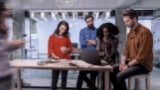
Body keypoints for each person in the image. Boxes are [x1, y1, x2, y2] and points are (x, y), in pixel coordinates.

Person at [110, 9, 153, 90]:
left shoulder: (145, 33)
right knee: (112, 70)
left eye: (127, 21)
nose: (125, 24)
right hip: (132, 62)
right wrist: (123, 63)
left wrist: (127, 65)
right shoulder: (130, 33)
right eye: (124, 22)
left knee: (120, 75)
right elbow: (126, 50)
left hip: (143, 65)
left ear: (135, 19)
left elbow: (141, 57)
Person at [0, 2, 25, 90]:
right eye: (6, 10)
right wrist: (11, 44)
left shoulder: (3, 26)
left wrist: (12, 45)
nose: (8, 13)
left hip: (5, 75)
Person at [48, 21, 72, 90]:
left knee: (64, 78)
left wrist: (66, 49)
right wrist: (53, 55)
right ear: (59, 26)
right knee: (54, 78)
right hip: (55, 60)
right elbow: (50, 48)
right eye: (62, 25)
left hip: (65, 60)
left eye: (65, 27)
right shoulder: (51, 37)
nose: (63, 27)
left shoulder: (67, 38)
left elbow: (70, 48)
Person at [76, 15, 98, 90]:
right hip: (84, 55)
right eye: (88, 22)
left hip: (94, 55)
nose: (90, 23)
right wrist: (93, 42)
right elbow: (82, 43)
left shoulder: (98, 31)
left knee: (93, 75)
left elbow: (98, 43)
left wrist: (88, 40)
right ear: (86, 22)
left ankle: (92, 87)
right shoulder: (82, 31)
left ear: (93, 20)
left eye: (91, 21)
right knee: (81, 74)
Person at [96, 22, 119, 90]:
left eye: (107, 32)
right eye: (104, 32)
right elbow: (97, 53)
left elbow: (110, 54)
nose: (105, 34)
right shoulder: (100, 39)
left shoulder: (114, 40)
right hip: (102, 62)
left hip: (112, 62)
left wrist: (106, 45)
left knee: (110, 76)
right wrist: (101, 53)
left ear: (111, 32)